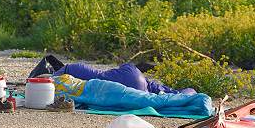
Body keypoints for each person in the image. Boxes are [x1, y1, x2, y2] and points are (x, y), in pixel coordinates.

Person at [28, 54, 196, 95]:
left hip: (134, 81)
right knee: (161, 90)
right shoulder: (72, 70)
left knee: (160, 91)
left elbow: (46, 80)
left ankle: (190, 92)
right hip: (132, 75)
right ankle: (192, 91)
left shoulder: (64, 75)